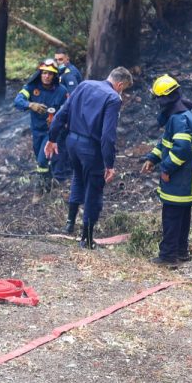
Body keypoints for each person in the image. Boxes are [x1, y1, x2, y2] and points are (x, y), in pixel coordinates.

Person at [45, 67, 134, 248]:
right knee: (94, 188)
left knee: (78, 177)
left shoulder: (84, 85)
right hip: (90, 149)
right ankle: (86, 238)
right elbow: (108, 136)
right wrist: (109, 163)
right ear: (120, 84)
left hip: (72, 142)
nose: (122, 93)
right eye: (123, 89)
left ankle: (70, 224)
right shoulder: (113, 98)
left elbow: (62, 113)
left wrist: (52, 138)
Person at [141, 74, 192, 266]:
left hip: (180, 178)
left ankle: (168, 257)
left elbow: (181, 149)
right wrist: (153, 158)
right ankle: (181, 252)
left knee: (171, 217)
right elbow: (166, 142)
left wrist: (166, 168)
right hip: (184, 179)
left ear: (165, 98)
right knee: (182, 216)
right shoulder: (179, 114)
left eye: (158, 99)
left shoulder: (179, 119)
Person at [14, 59, 69, 193]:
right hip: (36, 130)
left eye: (50, 74)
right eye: (44, 73)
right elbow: (17, 101)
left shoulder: (61, 91)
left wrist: (59, 120)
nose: (46, 76)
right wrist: (30, 105)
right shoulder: (32, 87)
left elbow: (70, 109)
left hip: (52, 132)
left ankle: (39, 190)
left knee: (42, 160)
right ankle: (50, 183)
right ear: (40, 73)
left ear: (54, 76)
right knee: (41, 159)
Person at [52, 52, 83, 182]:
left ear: (67, 59)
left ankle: (60, 174)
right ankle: (67, 170)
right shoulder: (62, 72)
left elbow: (73, 97)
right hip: (65, 112)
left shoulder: (69, 73)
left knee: (61, 142)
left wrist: (67, 118)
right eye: (56, 59)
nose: (58, 62)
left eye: (60, 59)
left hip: (69, 114)